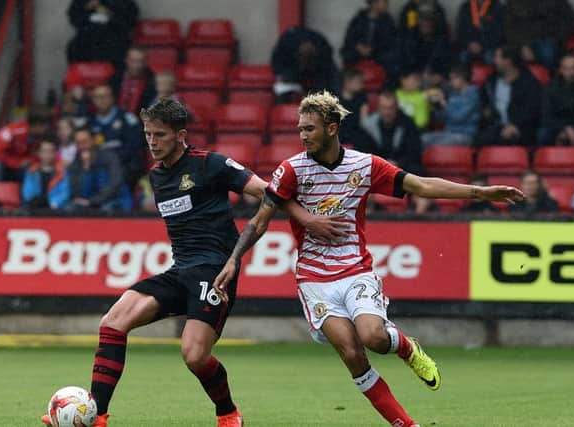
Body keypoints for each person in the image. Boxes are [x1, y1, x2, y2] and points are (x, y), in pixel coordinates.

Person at [212, 91, 523, 427]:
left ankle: (407, 349)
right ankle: (406, 424)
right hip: (314, 278)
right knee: (351, 352)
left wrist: (480, 192)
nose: (303, 136)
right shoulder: (291, 170)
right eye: (300, 129)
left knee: (374, 337)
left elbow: (421, 186)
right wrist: (234, 259)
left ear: (331, 128)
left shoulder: (364, 165)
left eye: (310, 129)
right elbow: (259, 220)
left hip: (355, 269)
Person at [41, 98, 342, 427]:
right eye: (147, 135)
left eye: (159, 135)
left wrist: (307, 220)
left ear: (180, 135)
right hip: (180, 269)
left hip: (214, 272)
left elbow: (267, 191)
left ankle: (227, 412)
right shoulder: (156, 176)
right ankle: (96, 416)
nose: (152, 143)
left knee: (195, 356)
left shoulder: (209, 164)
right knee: (112, 322)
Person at [478, 46, 541, 147]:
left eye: (497, 57)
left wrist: (516, 126)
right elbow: (484, 103)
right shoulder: (491, 81)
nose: (494, 61)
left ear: (508, 61)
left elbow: (532, 111)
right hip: (494, 127)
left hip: (521, 129)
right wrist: (486, 111)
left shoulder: (529, 83)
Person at [88, 84, 145, 189]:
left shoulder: (127, 119)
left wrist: (111, 159)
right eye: (98, 97)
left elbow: (134, 147)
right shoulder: (90, 122)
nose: (102, 100)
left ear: (112, 98)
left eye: (105, 96)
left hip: (124, 167)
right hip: (99, 167)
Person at [0, 105, 52, 181]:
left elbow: (38, 157)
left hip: (16, 169)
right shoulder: (12, 131)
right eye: (44, 126)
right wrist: (17, 163)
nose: (46, 128)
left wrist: (28, 161)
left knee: (32, 170)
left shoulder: (42, 137)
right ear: (36, 125)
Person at [67, 126, 132, 212]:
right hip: (88, 202)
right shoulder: (74, 165)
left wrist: (94, 201)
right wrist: (86, 169)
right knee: (69, 208)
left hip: (114, 200)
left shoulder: (109, 157)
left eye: (85, 141)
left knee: (105, 210)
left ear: (93, 140)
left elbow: (115, 183)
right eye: (78, 143)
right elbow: (76, 192)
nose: (82, 146)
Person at [358, 92, 423, 175]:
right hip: (376, 168)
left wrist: (398, 163)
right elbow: (363, 152)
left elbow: (414, 151)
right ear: (378, 108)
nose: (387, 112)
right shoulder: (368, 126)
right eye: (383, 108)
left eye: (390, 108)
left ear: (396, 108)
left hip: (402, 168)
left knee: (416, 169)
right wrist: (383, 164)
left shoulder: (408, 124)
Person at [271, 26, 339, 103]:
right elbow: (278, 71)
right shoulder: (286, 47)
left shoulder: (322, 48)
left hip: (319, 80)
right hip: (292, 79)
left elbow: (327, 79)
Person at [505, 0, 574, 70]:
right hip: (520, 42)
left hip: (549, 39)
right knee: (504, 57)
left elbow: (572, 21)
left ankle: (553, 80)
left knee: (547, 54)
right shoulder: (514, 2)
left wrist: (557, 38)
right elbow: (509, 28)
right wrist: (522, 46)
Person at [422, 62, 481, 148]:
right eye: (450, 78)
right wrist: (434, 106)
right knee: (421, 140)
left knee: (435, 146)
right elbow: (443, 119)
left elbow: (458, 117)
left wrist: (443, 103)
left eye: (453, 78)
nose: (451, 82)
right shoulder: (453, 94)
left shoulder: (472, 95)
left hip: (465, 135)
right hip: (448, 132)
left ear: (463, 78)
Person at [66, 0, 139, 67]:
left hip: (114, 38)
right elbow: (74, 17)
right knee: (74, 48)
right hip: (88, 38)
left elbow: (130, 21)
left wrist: (110, 14)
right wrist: (87, 7)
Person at [341, 0, 400, 76]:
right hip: (358, 53)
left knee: (392, 55)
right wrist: (358, 46)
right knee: (347, 53)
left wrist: (373, 48)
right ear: (373, 3)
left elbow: (390, 41)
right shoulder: (359, 19)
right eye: (384, 2)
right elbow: (350, 37)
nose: (387, 5)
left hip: (378, 53)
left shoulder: (388, 20)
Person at [400, 3, 451, 75]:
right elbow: (408, 63)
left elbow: (446, 64)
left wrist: (441, 76)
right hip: (415, 78)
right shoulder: (411, 41)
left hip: (437, 78)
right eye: (422, 20)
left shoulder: (442, 42)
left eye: (428, 20)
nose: (425, 23)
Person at [539, 54, 574, 146]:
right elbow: (547, 116)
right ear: (561, 70)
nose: (571, 72)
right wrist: (565, 129)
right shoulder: (551, 88)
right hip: (557, 127)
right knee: (543, 134)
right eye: (567, 69)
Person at [21, 139, 71, 210]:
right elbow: (27, 192)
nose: (47, 155)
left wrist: (52, 203)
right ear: (39, 153)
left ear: (55, 153)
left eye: (50, 151)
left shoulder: (62, 171)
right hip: (34, 207)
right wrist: (34, 202)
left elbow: (65, 193)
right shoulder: (31, 171)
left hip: (55, 208)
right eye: (44, 151)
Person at [109, 46, 157, 113]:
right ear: (126, 60)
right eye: (133, 61)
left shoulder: (152, 82)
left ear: (146, 63)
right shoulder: (115, 78)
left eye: (140, 61)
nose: (136, 65)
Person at [338, 68, 369, 145]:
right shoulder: (335, 101)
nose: (361, 85)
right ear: (347, 83)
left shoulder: (362, 99)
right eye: (358, 82)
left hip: (357, 138)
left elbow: (364, 122)